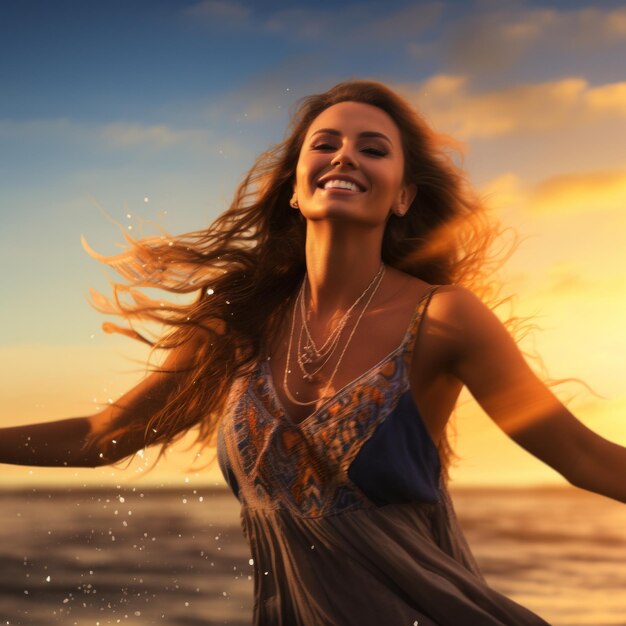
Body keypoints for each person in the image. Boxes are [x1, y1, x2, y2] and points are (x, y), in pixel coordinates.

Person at [1, 79, 625, 625]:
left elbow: (584, 458)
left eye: (372, 148)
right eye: (325, 144)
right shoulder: (236, 321)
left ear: (402, 196)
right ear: (295, 188)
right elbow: (104, 434)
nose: (345, 155)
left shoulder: (443, 318)